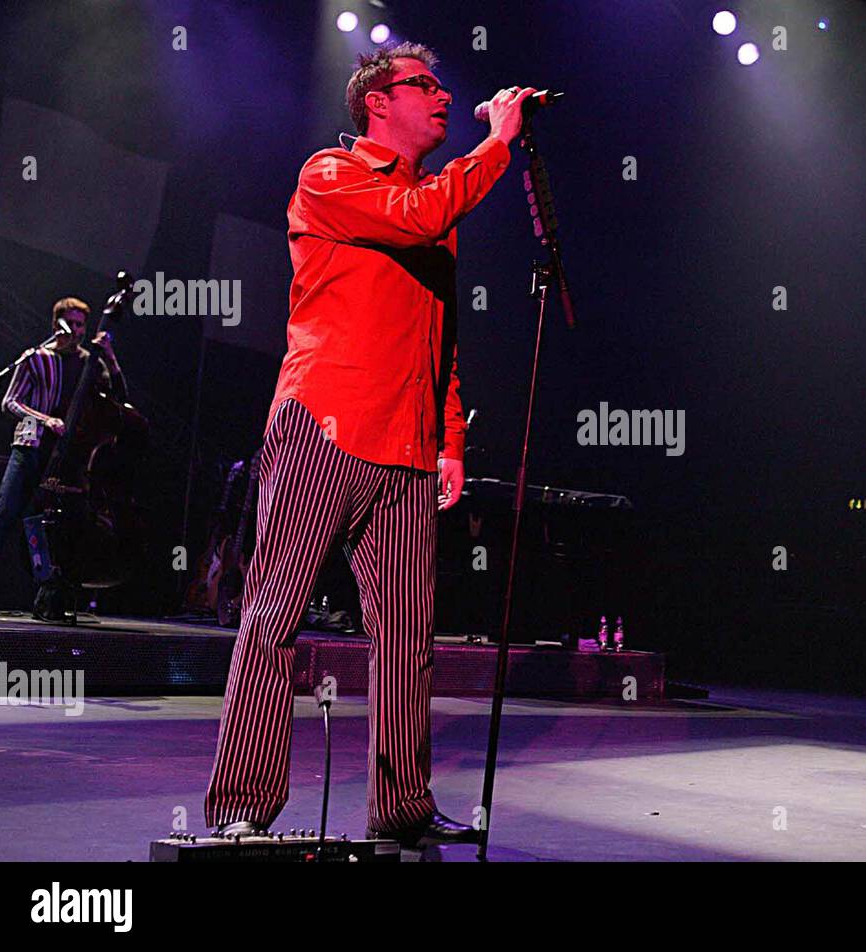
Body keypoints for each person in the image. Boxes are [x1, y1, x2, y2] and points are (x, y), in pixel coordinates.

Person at [204, 41, 536, 848]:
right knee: (275, 613)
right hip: (326, 422)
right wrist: (497, 145)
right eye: (425, 85)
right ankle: (242, 807)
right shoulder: (333, 174)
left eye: (443, 86)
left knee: (407, 637)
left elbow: (441, 334)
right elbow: (416, 217)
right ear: (377, 102)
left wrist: (450, 438)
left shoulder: (435, 199)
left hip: (409, 444)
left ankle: (402, 806)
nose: (445, 96)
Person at [0, 296, 127, 623]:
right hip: (31, 447)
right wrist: (45, 419)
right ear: (56, 325)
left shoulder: (93, 362)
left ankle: (49, 600)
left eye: (80, 325)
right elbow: (10, 402)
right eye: (70, 324)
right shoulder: (36, 358)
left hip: (67, 458)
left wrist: (112, 360)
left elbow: (120, 400)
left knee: (54, 530)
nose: (76, 331)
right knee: (2, 514)